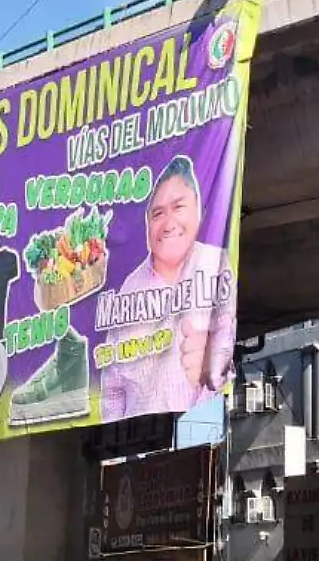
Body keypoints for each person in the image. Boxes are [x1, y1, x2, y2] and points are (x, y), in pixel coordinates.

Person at [99, 155, 236, 421]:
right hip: (138, 444)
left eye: (179, 207)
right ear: (147, 225)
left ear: (198, 211)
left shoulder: (213, 264)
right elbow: (112, 388)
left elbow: (225, 349)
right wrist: (117, 451)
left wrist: (209, 359)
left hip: (196, 432)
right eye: (158, 214)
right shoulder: (130, 288)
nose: (168, 223)